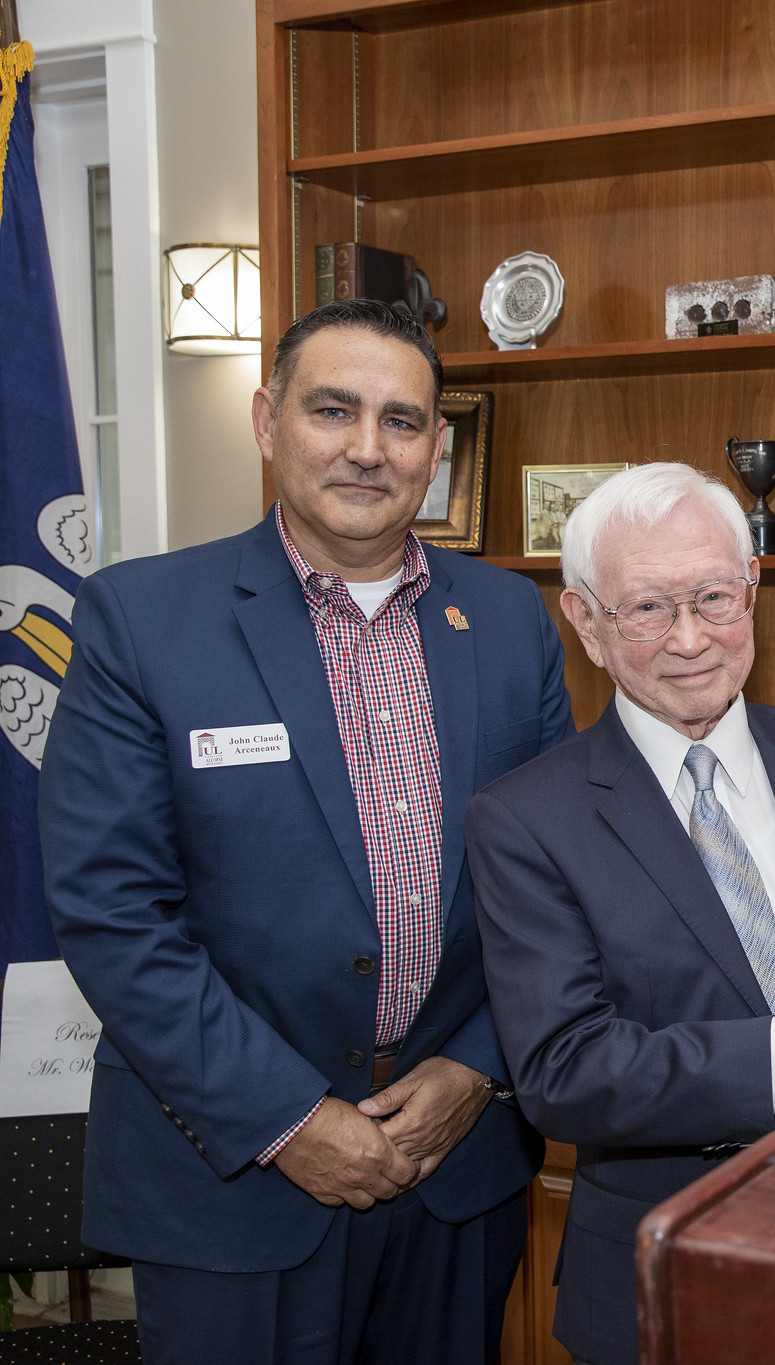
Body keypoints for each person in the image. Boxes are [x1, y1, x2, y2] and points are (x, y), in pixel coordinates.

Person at [39, 299, 573, 1362]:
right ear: (266, 420)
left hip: (454, 1166)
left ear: (438, 446)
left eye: (403, 421)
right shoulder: (141, 621)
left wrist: (479, 1067)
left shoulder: (511, 619)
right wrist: (289, 1119)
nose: (368, 450)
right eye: (334, 410)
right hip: (230, 1178)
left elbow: (556, 884)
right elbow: (112, 914)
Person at [466, 463, 775, 1365]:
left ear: (752, 593)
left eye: (713, 597)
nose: (690, 637)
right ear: (585, 622)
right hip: (658, 1275)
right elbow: (564, 1072)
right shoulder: (524, 819)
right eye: (648, 607)